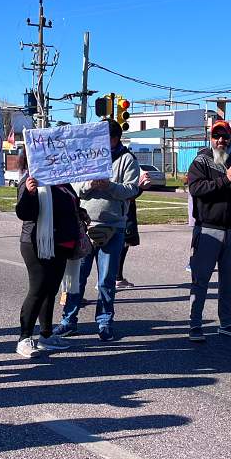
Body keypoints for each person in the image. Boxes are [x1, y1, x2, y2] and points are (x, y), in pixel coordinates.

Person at [55, 119, 141, 342]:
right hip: (84, 226)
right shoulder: (87, 156)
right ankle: (68, 320)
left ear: (115, 139)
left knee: (106, 280)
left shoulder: (127, 160)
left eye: (106, 138)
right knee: (77, 277)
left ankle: (104, 322)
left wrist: (109, 186)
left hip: (113, 228)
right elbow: (74, 186)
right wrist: (90, 184)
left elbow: (131, 190)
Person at [185, 120, 231, 342]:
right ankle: (195, 324)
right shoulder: (201, 161)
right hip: (208, 229)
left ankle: (226, 322)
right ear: (210, 137)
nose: (220, 141)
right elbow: (197, 189)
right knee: (201, 280)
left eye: (225, 136)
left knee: (229, 279)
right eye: (216, 136)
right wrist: (225, 179)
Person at [15, 167, 82, 357]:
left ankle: (46, 334)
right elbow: (23, 212)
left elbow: (70, 204)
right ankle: (24, 338)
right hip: (37, 243)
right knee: (37, 290)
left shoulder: (61, 179)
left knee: (50, 291)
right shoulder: (31, 179)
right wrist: (30, 193)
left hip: (60, 244)